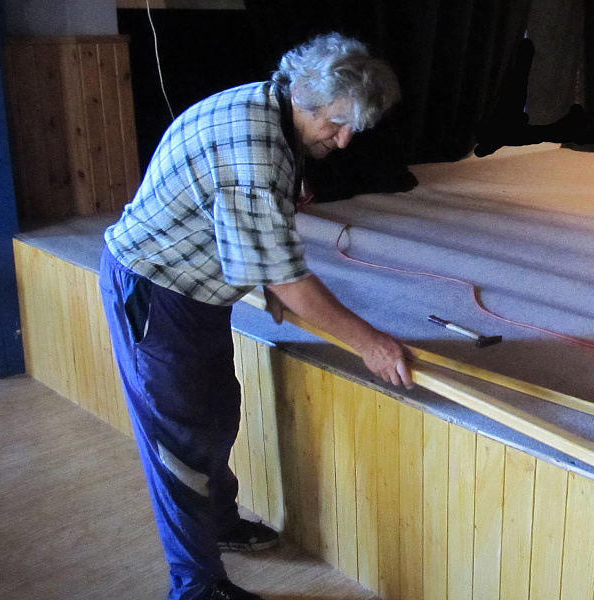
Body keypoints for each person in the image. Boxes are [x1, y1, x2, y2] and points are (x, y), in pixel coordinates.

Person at [99, 32, 413, 600]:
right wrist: (370, 342)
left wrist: (265, 266)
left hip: (200, 290)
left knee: (215, 413)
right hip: (157, 292)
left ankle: (219, 523)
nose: (344, 140)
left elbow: (259, 237)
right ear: (304, 97)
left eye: (354, 128)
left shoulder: (273, 109)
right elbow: (287, 278)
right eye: (336, 124)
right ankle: (197, 587)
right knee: (180, 444)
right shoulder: (255, 145)